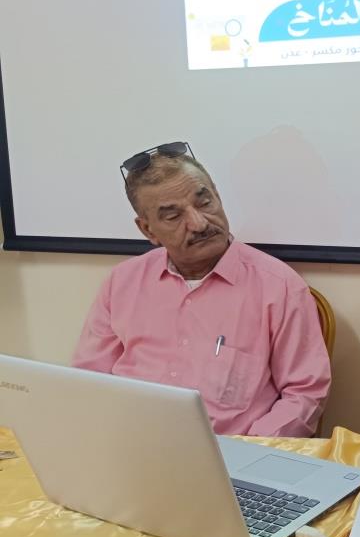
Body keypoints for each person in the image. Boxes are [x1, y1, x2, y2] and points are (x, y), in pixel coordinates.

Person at [73, 142, 330, 437]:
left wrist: (249, 453)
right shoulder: (122, 282)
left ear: (217, 196)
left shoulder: (278, 287)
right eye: (174, 216)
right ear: (148, 230)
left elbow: (304, 394)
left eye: (204, 202)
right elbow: (89, 382)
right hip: (130, 445)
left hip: (229, 455)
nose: (198, 223)